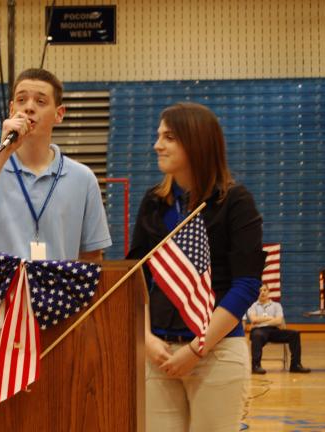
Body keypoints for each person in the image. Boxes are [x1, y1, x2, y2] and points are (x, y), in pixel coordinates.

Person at [127, 102, 265, 432]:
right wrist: (144, 338)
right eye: (158, 136)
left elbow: (246, 285)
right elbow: (136, 277)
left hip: (217, 354)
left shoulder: (237, 202)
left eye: (169, 137)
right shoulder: (153, 203)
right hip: (157, 353)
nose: (157, 144)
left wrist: (197, 348)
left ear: (197, 141)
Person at [0, 68, 111, 261]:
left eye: (40, 101)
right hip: (3, 290)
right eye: (21, 100)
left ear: (59, 114)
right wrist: (4, 153)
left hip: (57, 289)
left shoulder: (83, 178)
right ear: (11, 111)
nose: (29, 107)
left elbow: (92, 256)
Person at [247, 284, 311, 374]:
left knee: (294, 334)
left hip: (274, 330)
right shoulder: (253, 306)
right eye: (260, 291)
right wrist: (270, 318)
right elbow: (253, 319)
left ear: (268, 292)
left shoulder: (276, 305)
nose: (262, 293)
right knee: (257, 335)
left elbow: (278, 321)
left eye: (264, 290)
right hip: (259, 330)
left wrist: (261, 321)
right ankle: (256, 366)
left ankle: (295, 365)